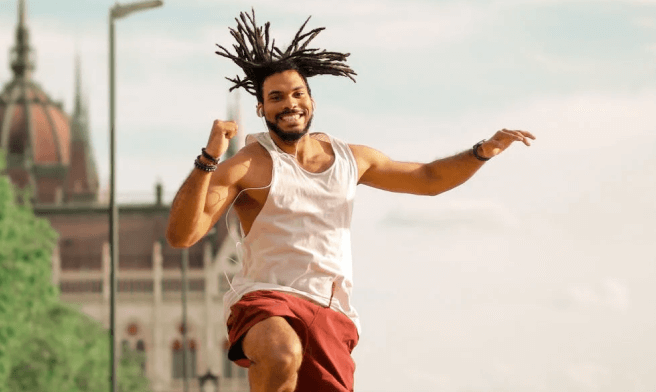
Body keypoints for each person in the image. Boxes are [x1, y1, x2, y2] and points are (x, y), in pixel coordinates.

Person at [166, 10, 535, 392]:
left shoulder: (351, 158)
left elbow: (428, 179)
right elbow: (182, 236)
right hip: (266, 299)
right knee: (281, 354)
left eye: (297, 94)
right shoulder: (247, 165)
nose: (288, 104)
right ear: (262, 109)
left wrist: (482, 151)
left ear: (311, 100)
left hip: (330, 310)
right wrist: (208, 160)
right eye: (275, 97)